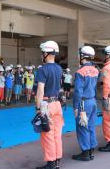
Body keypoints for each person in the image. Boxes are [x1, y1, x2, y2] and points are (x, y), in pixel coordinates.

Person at [35, 41, 63, 169]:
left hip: (46, 105)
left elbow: (40, 90)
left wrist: (38, 108)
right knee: (57, 134)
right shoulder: (59, 68)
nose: (42, 55)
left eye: (42, 53)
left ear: (46, 53)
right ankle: (57, 160)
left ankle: (50, 163)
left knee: (48, 135)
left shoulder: (42, 70)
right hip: (57, 104)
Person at [72, 46, 99, 161]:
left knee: (82, 127)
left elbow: (78, 91)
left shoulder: (80, 72)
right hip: (93, 101)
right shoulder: (96, 70)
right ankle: (91, 149)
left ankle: (85, 153)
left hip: (83, 103)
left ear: (83, 56)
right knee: (91, 126)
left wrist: (75, 107)